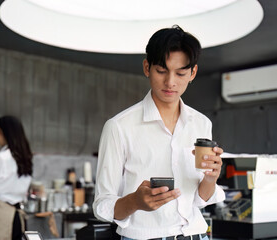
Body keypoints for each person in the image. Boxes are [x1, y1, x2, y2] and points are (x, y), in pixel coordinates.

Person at [93, 25, 225, 240]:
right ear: (147, 68)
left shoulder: (201, 123)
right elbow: (102, 206)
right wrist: (135, 201)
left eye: (181, 73)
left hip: (195, 235)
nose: (170, 82)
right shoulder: (119, 126)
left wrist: (211, 179)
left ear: (193, 73)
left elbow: (200, 199)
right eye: (161, 71)